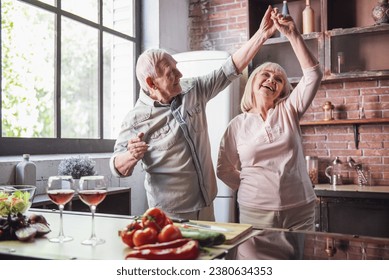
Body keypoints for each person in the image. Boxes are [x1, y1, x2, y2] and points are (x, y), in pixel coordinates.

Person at [110, 6, 279, 221]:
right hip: (170, 214)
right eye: (171, 73)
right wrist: (130, 156)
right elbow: (117, 168)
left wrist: (262, 34)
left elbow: (230, 68)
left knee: (210, 254)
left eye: (177, 67)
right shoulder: (135, 119)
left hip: (207, 203)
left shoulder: (192, 89)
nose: (180, 74)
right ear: (152, 83)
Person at [217, 9, 323, 230]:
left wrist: (293, 34)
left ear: (282, 90)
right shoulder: (237, 125)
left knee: (301, 263)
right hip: (254, 211)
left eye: (279, 79)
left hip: (299, 209)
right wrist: (252, 187)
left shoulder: (289, 110)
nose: (272, 79)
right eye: (265, 74)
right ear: (253, 82)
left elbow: (313, 75)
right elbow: (224, 170)